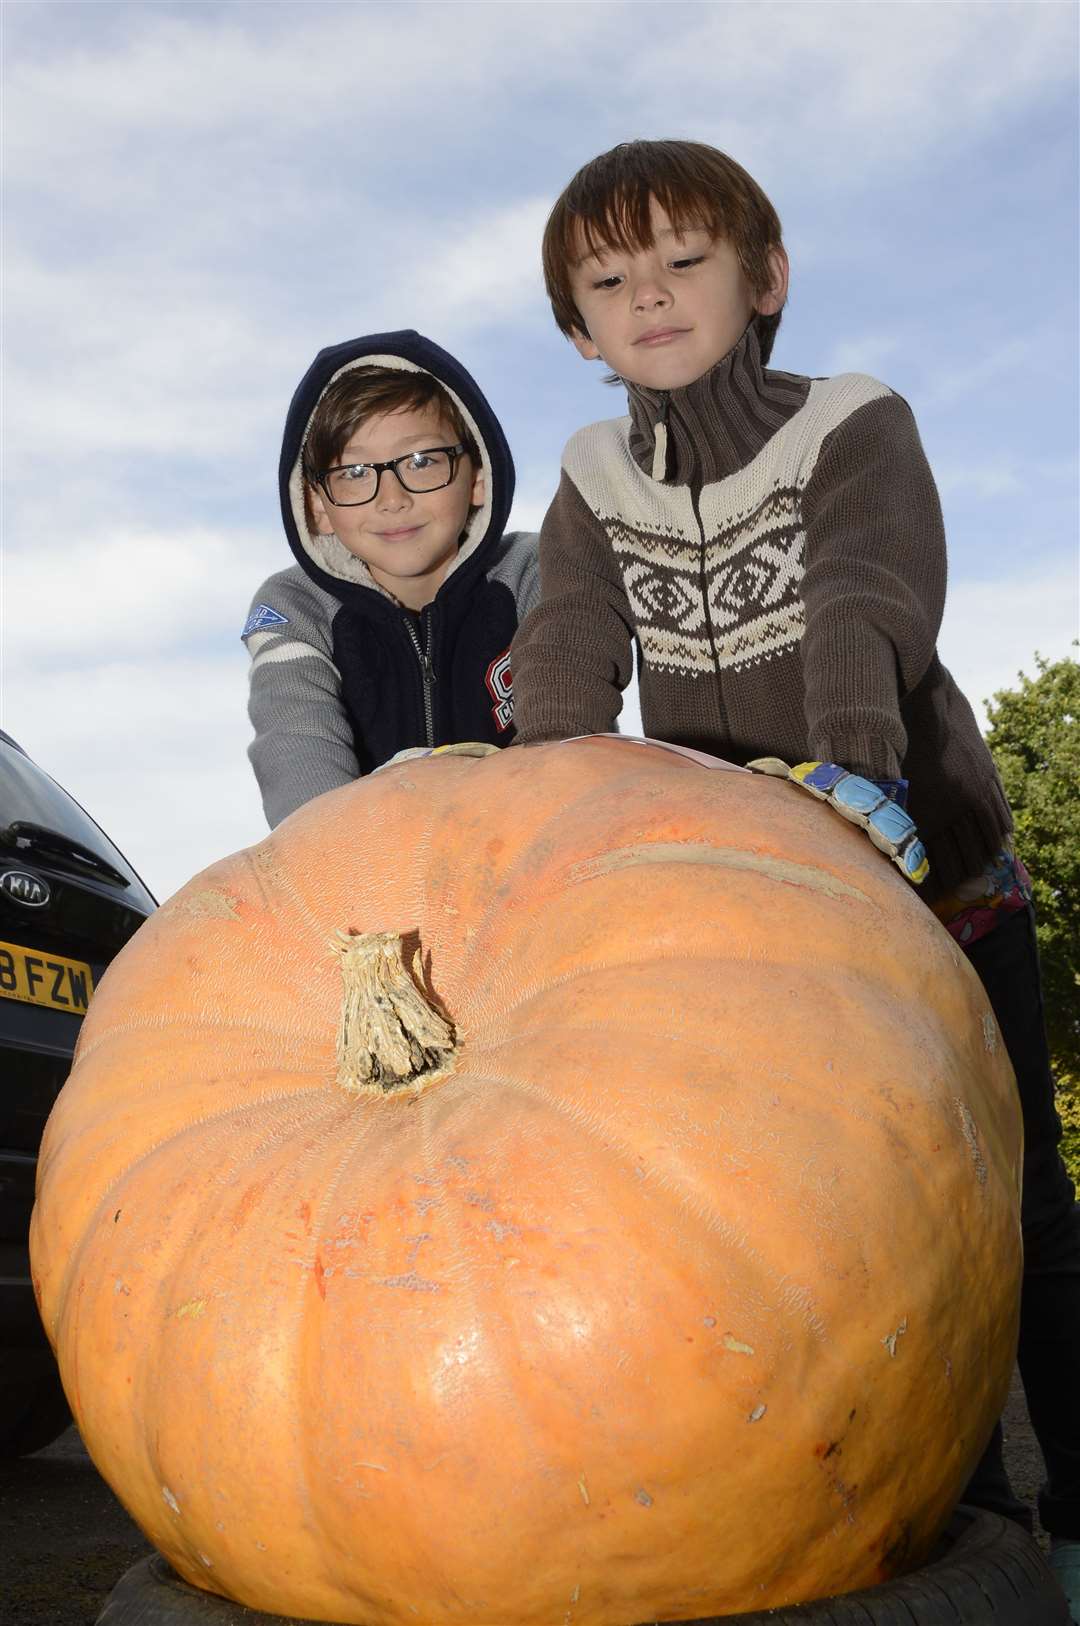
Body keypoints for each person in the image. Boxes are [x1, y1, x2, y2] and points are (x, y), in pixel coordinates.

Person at [510, 138, 1080, 1606]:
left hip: (926, 869)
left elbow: (864, 600)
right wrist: (534, 829)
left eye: (685, 262)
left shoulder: (852, 421)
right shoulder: (590, 476)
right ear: (578, 329)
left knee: (1019, 1203)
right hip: (763, 922)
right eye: (609, 280)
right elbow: (570, 643)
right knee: (868, 1219)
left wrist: (853, 771)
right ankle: (969, 1514)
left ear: (764, 278)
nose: (649, 298)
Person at [243, 331, 538, 828]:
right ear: (315, 504)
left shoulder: (535, 570)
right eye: (355, 472)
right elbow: (295, 751)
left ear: (478, 474)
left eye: (422, 461)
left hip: (530, 855)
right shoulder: (296, 607)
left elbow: (571, 733)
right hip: (369, 871)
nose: (391, 497)